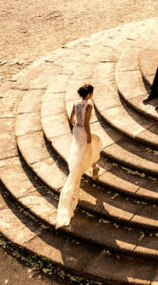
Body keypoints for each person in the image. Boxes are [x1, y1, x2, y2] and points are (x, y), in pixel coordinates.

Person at [55, 83, 103, 227]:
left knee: (85, 150)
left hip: (76, 130)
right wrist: (87, 134)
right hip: (83, 131)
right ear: (88, 94)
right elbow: (87, 123)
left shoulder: (76, 103)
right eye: (92, 92)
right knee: (92, 144)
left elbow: (71, 119)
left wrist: (78, 126)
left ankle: (94, 166)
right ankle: (92, 166)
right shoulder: (88, 106)